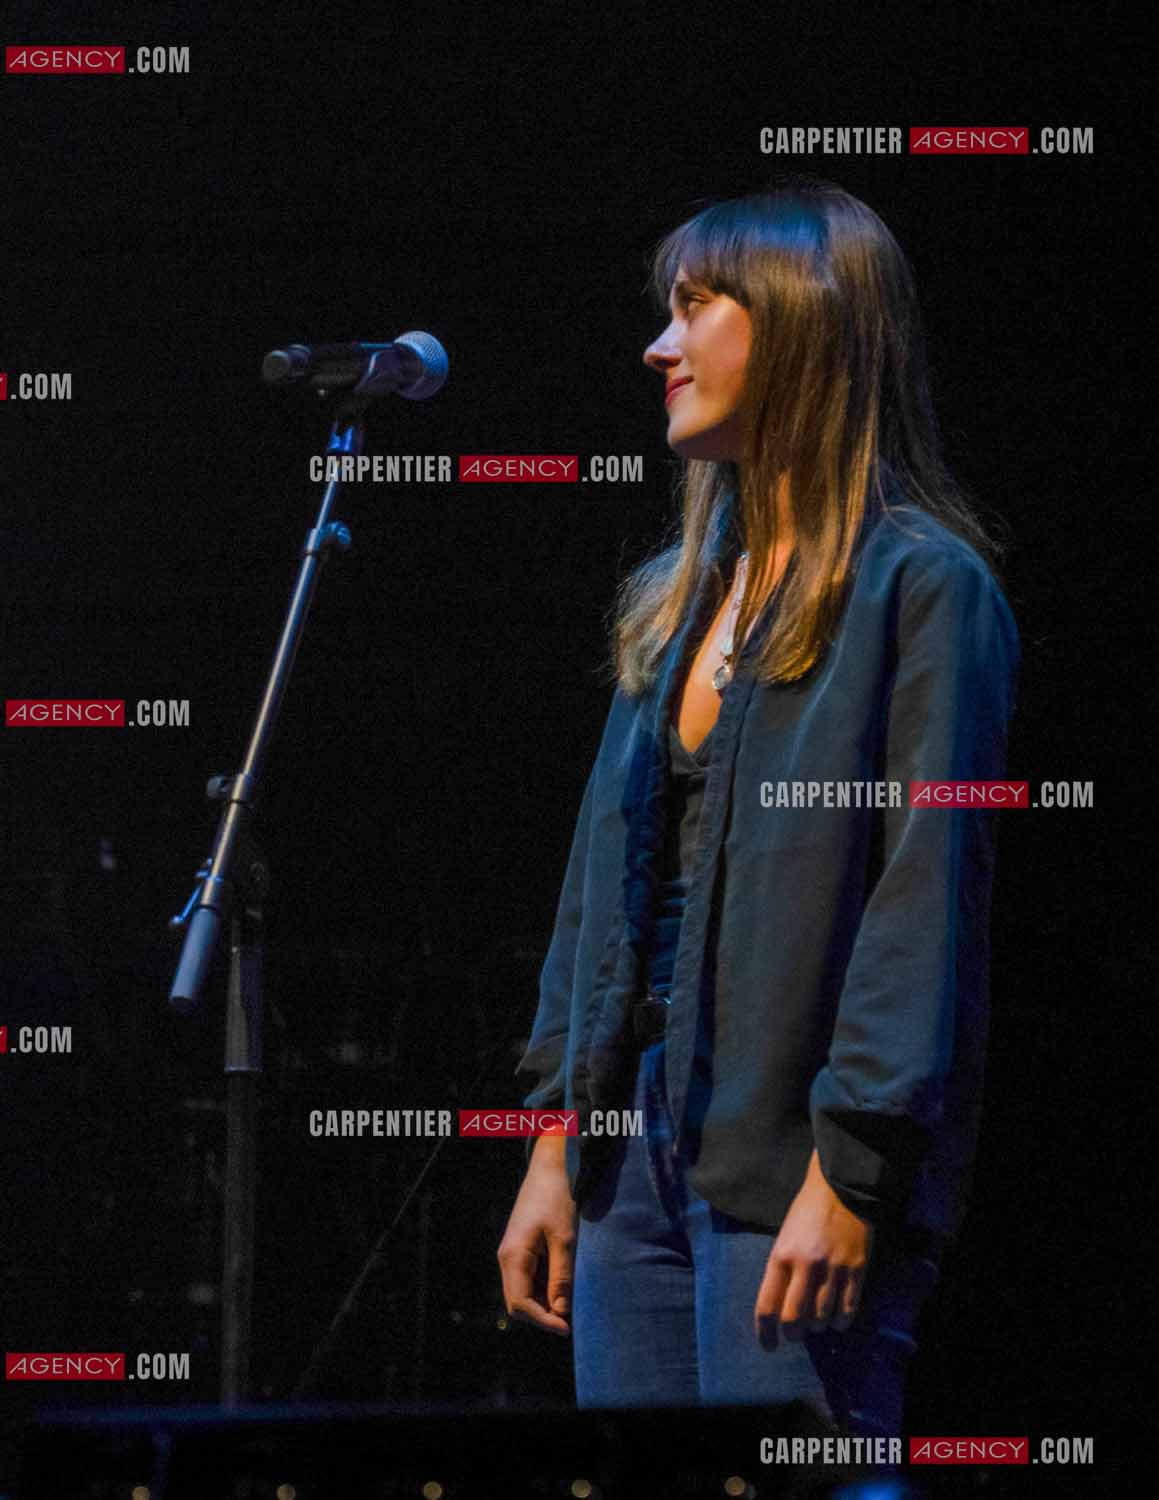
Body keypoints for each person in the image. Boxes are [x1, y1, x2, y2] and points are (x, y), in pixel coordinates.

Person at [496, 181, 1018, 1440]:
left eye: (693, 309)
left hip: (791, 1157)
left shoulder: (922, 587)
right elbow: (595, 892)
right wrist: (550, 1150)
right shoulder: (676, 600)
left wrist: (851, 1176)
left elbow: (920, 900)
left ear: (797, 323)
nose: (657, 347)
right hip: (630, 1164)